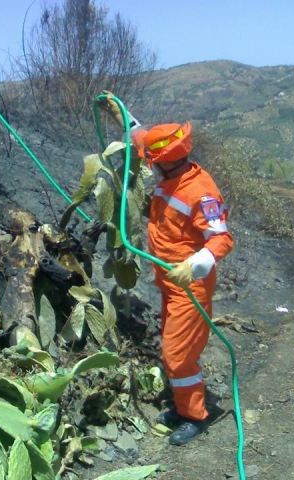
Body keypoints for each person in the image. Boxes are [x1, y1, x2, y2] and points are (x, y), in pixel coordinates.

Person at [98, 95, 234, 445]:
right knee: (174, 351)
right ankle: (183, 403)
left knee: (177, 355)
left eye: (152, 163)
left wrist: (194, 265)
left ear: (164, 165)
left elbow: (221, 240)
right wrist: (121, 112)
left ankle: (195, 415)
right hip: (168, 282)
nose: (149, 165)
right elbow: (141, 135)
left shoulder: (201, 193)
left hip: (190, 286)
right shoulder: (170, 163)